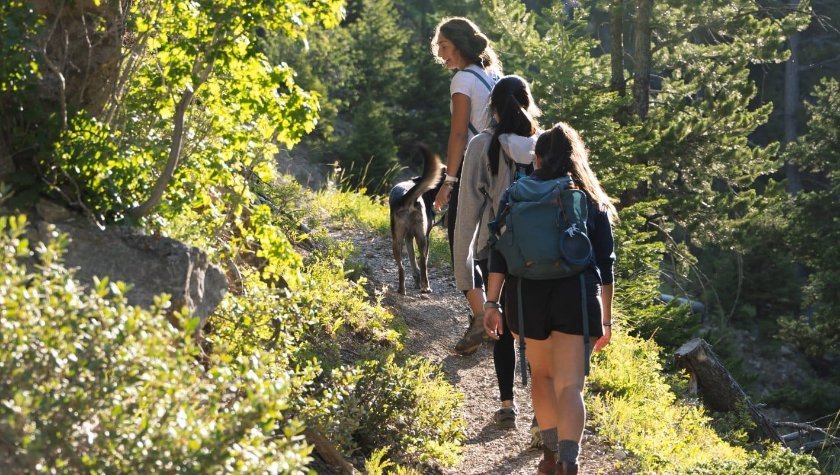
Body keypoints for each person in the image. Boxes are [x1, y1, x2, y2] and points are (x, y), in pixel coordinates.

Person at [483, 122, 617, 475]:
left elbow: (499, 252)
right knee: (570, 385)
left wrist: (491, 303)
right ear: (576, 158)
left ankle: (549, 457)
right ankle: (570, 464)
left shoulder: (516, 193)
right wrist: (606, 318)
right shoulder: (589, 198)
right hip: (576, 293)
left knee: (541, 377)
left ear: (538, 158)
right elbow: (605, 263)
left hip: (527, 296)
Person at [453, 75, 541, 428]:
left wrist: (464, 267)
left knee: (500, 322)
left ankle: (507, 405)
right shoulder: (542, 144)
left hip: (497, 252)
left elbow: (468, 211)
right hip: (538, 252)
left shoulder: (482, 145)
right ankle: (541, 411)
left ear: (492, 107)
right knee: (536, 328)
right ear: (528, 102)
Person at [430, 17, 501, 354]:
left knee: (462, 246)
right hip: (498, 172)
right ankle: (492, 316)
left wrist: (449, 181)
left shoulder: (461, 79)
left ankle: (480, 319)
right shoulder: (492, 76)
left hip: (471, 172)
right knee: (487, 246)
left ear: (458, 45)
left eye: (443, 46)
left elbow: (459, 133)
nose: (440, 53)